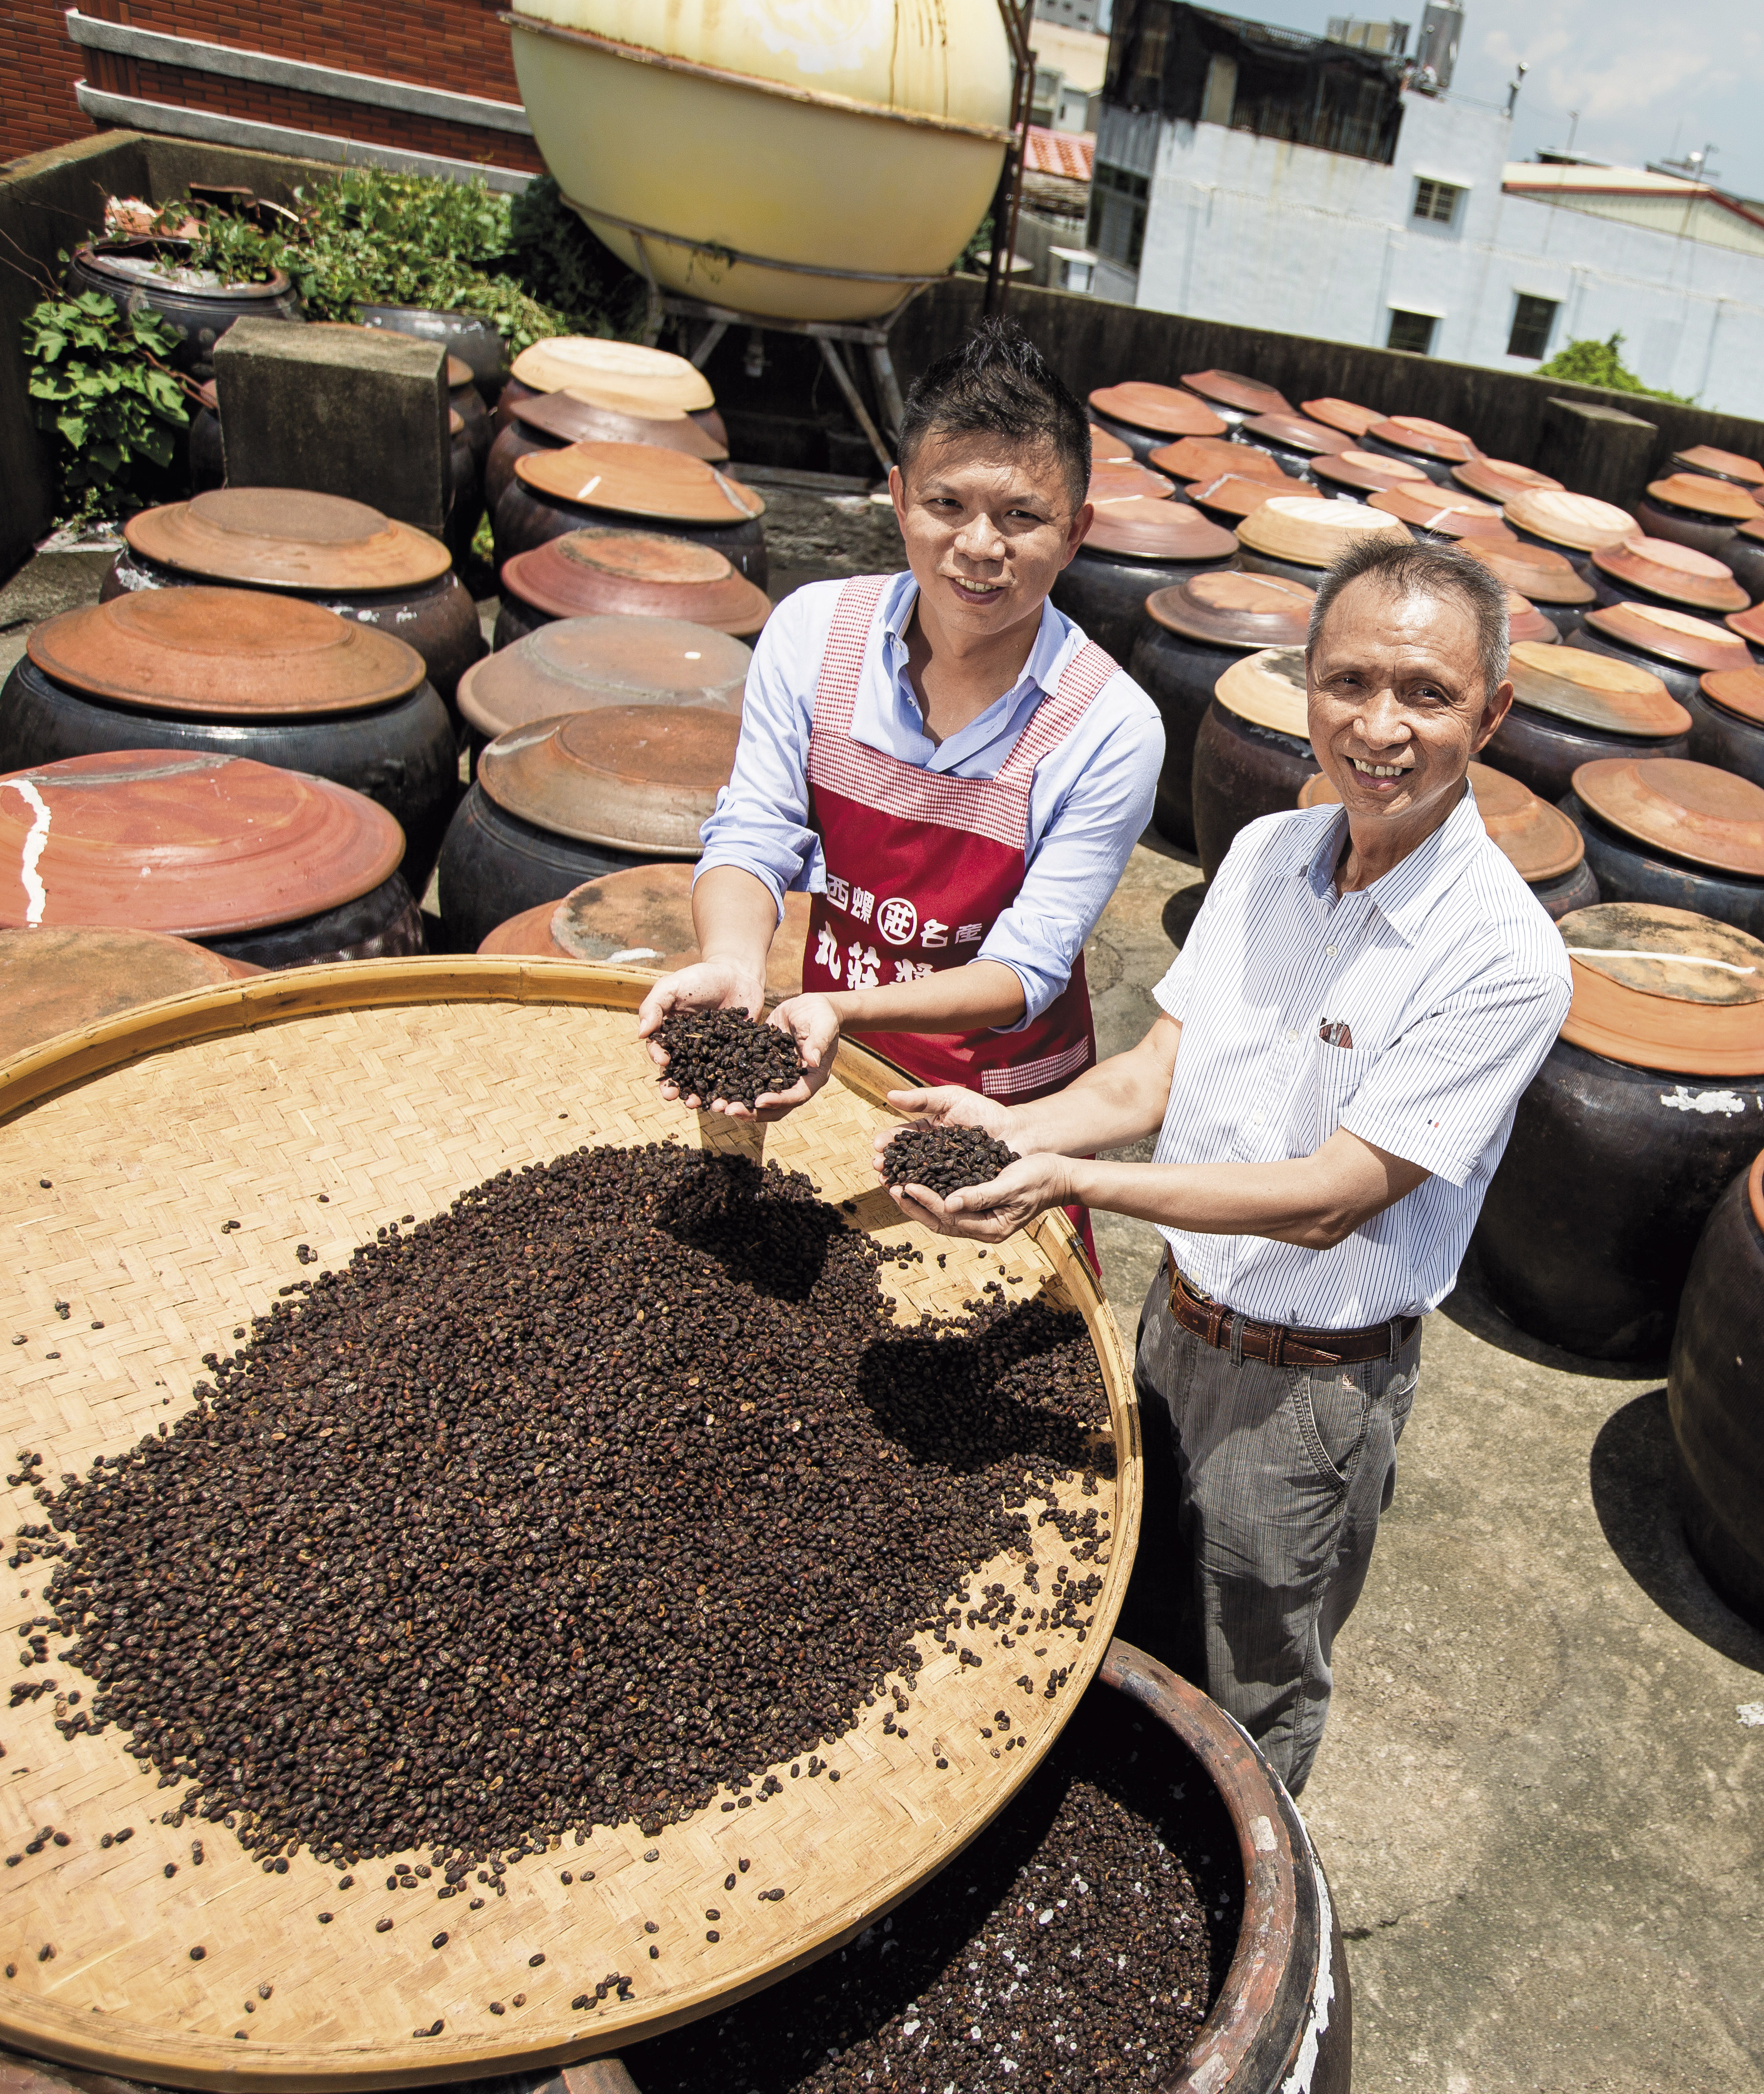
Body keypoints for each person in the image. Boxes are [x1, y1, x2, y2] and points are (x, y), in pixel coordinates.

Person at [875, 541, 1571, 1791]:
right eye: (1349, 682)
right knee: (1122, 1610)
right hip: (1171, 1328)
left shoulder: (1503, 957)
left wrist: (1074, 1188)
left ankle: (1247, 1888)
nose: (1380, 727)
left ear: (1493, 712)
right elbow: (1154, 1077)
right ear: (1304, 684)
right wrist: (1008, 1125)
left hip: (1307, 1392)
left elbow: (1331, 1202)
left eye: (1426, 694)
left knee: (1250, 1679)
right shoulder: (1262, 858)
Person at [638, 319, 1162, 1235]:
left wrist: (838, 1007)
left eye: (1023, 517)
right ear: (896, 498)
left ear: (1076, 533)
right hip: (825, 1060)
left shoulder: (1112, 726)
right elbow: (755, 833)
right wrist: (731, 962)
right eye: (946, 504)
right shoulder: (811, 634)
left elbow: (1025, 967)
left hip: (1001, 1100)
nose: (979, 545)